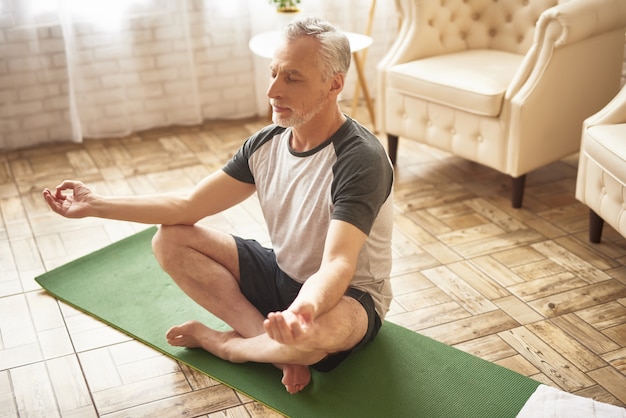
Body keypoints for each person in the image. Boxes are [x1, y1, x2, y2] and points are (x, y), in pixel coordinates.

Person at [42, 16, 394, 394]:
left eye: (292, 78)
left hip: (348, 297)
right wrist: (97, 204)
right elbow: (187, 205)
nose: (273, 90)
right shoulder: (266, 144)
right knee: (169, 240)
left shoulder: (360, 159)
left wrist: (303, 310)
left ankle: (229, 345)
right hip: (282, 273)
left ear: (334, 83)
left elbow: (339, 262)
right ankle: (276, 349)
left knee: (313, 335)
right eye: (273, 74)